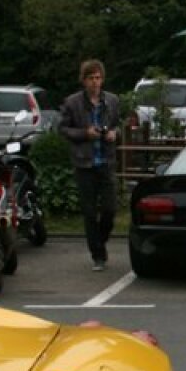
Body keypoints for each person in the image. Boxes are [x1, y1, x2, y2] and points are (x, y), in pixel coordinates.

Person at [59, 59, 120, 271]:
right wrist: (85, 133)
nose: (95, 82)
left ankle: (99, 242)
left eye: (98, 78)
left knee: (110, 208)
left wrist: (114, 133)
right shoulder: (72, 102)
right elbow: (63, 129)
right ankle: (98, 255)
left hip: (106, 160)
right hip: (84, 163)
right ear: (84, 80)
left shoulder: (112, 100)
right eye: (91, 78)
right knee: (89, 211)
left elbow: (117, 125)